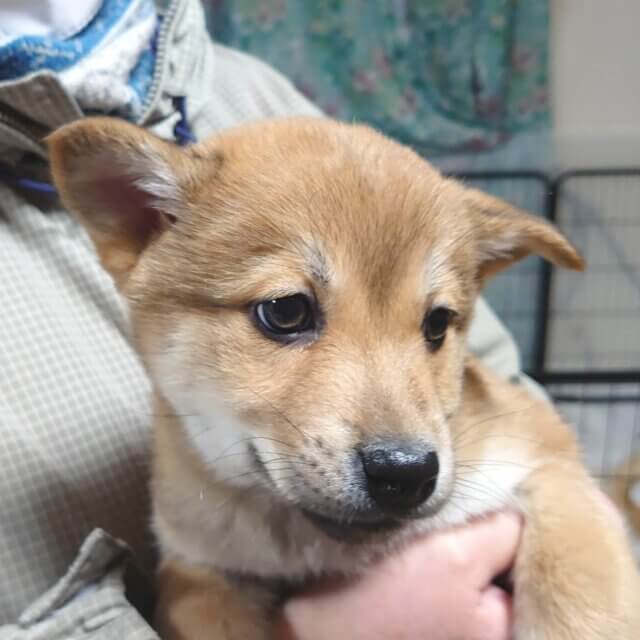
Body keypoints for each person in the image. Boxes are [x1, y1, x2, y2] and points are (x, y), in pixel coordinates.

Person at [0, 0, 545, 637]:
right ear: (139, 216)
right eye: (286, 312)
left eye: (434, 326)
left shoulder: (250, 87)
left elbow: (516, 403)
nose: (401, 438)